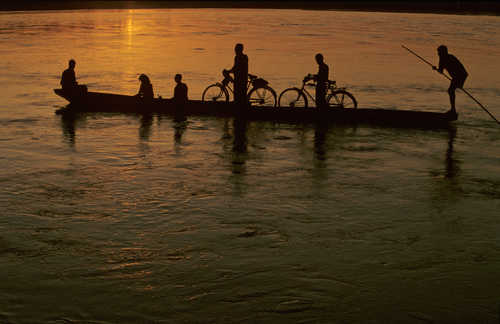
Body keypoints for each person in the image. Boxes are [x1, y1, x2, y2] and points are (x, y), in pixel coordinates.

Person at [432, 45, 468, 115]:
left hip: (460, 76)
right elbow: (441, 71)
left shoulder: (449, 58)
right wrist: (436, 69)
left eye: (439, 52)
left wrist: (460, 83)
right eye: (438, 52)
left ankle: (453, 110)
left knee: (450, 90)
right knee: (451, 90)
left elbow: (463, 72)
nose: (438, 53)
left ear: (443, 52)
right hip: (457, 77)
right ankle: (453, 109)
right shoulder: (444, 58)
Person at [225, 43, 249, 108]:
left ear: (240, 50)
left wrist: (229, 71)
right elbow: (235, 67)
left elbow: (237, 68)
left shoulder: (242, 57)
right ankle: (238, 104)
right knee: (237, 93)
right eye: (235, 49)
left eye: (236, 49)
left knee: (239, 93)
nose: (235, 50)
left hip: (241, 78)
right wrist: (230, 71)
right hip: (239, 77)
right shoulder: (238, 57)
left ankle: (240, 106)